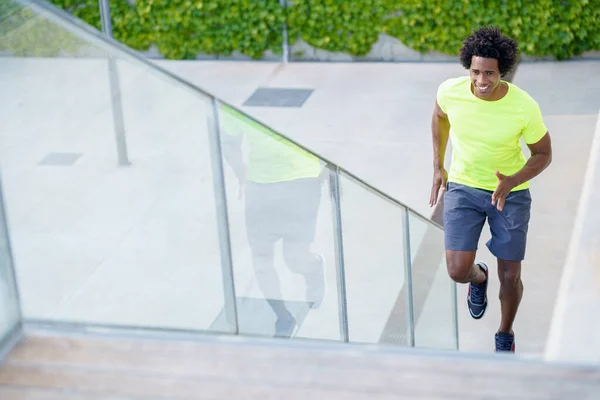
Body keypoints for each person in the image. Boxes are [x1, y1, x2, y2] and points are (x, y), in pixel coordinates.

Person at [429, 27, 552, 352]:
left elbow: (544, 153)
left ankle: (505, 333)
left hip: (510, 196)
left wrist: (512, 180)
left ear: (503, 71)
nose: (482, 81)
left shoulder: (523, 106)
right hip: (463, 187)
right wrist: (437, 165)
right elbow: (440, 116)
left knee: (510, 274)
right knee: (457, 271)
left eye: (490, 74)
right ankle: (479, 278)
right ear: (468, 67)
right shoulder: (451, 91)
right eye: (476, 72)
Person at [220, 105, 326, 338]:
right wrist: (242, 174)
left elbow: (326, 123)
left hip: (301, 181)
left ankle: (314, 267)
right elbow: (228, 142)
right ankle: (283, 316)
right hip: (260, 187)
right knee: (261, 260)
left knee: (295, 259)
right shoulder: (236, 102)